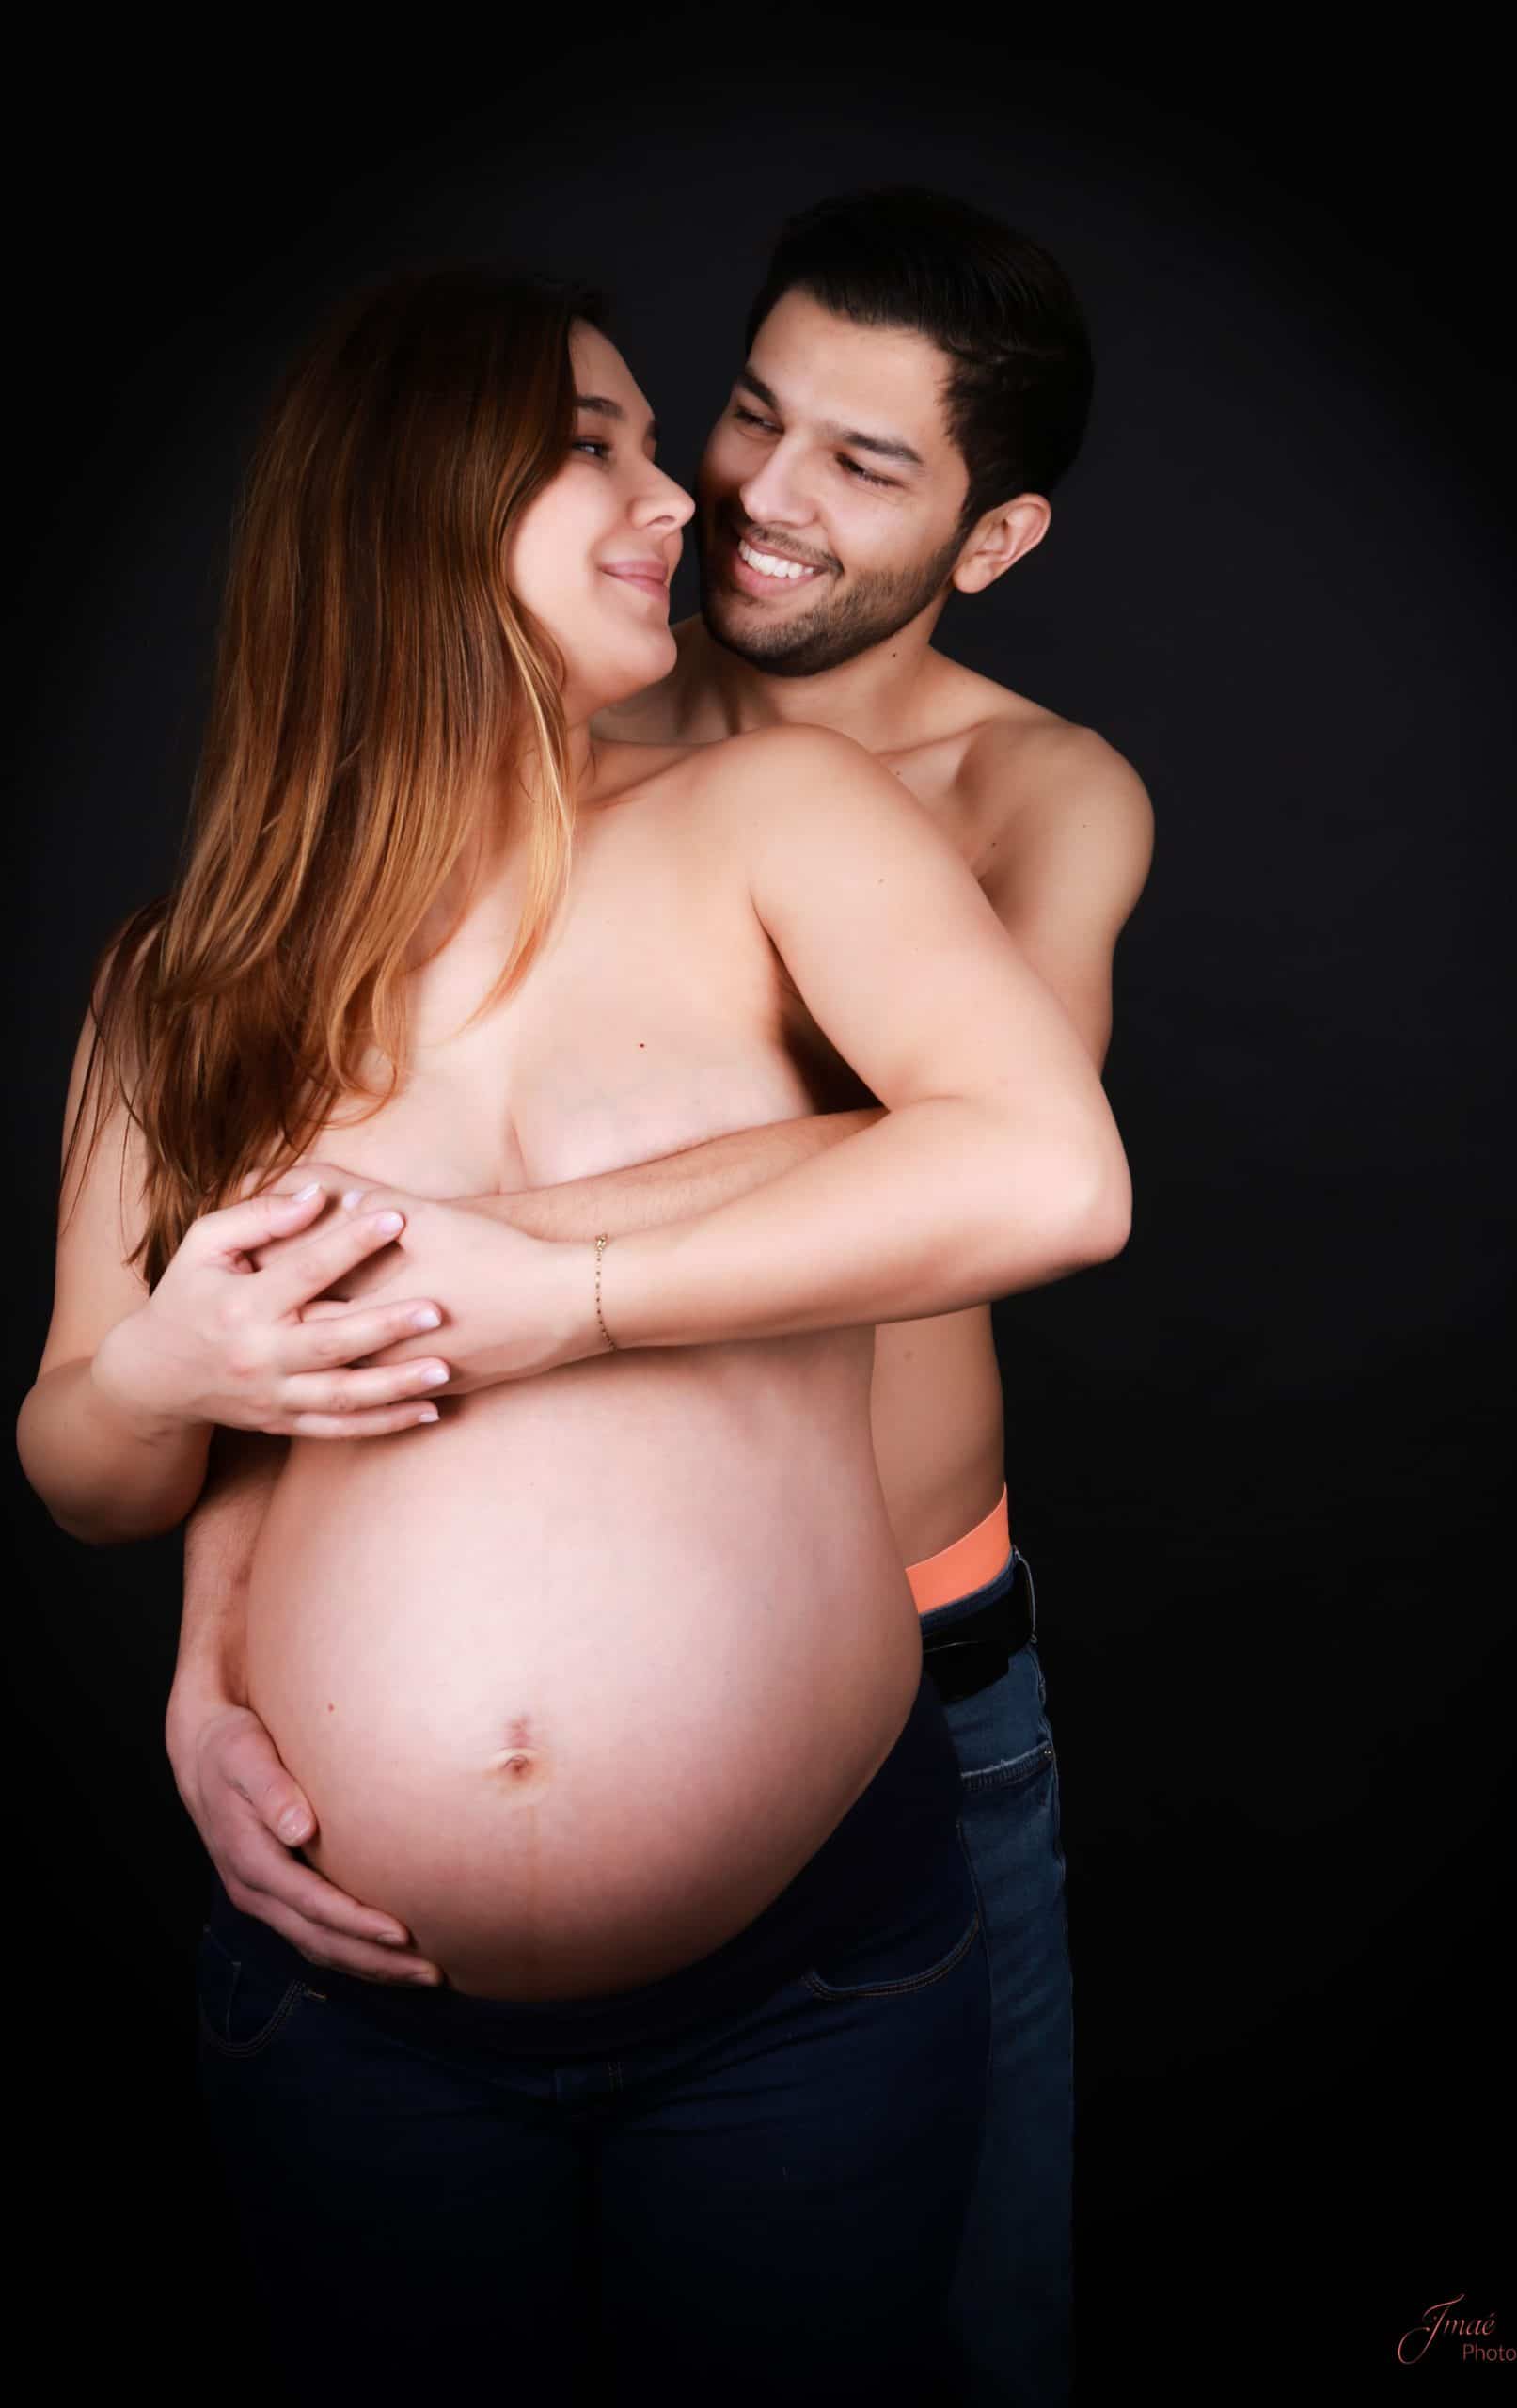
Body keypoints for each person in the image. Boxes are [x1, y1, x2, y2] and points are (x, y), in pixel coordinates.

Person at [17, 259, 1130, 2402]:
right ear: (409, 501)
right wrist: (163, 1380)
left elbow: (1041, 1170)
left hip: (796, 1993)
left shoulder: (777, 819)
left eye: (648, 430)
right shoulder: (184, 978)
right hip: (350, 2014)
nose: (677, 496)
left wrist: (543, 1281)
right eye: (593, 438)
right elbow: (88, 1459)